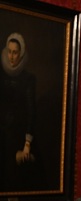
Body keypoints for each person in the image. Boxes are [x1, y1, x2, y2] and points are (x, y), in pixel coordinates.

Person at [0, 32, 36, 191]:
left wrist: (26, 144)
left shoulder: (27, 78)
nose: (12, 56)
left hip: (18, 136)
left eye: (15, 52)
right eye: (9, 51)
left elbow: (30, 111)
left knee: (14, 178)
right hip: (2, 134)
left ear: (20, 53)